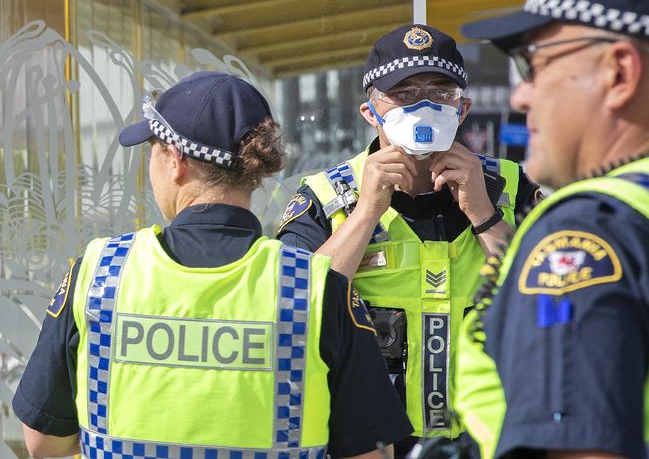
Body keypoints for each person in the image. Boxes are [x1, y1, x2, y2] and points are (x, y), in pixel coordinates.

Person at [12, 71, 413, 459]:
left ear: (175, 160)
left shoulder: (100, 274)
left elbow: (43, 442)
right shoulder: (314, 288)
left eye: (152, 151)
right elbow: (369, 453)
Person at [277, 24, 541, 453]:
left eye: (440, 93)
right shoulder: (326, 196)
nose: (423, 106)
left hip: (490, 440)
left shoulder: (511, 186)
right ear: (370, 112)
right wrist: (365, 214)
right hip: (372, 444)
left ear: (462, 108)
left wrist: (485, 215)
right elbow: (295, 305)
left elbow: (550, 295)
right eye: (402, 95)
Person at [454, 0, 649, 458]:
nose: (521, 95)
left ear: (619, 73)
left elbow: (580, 444)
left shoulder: (584, 229)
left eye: (534, 64)